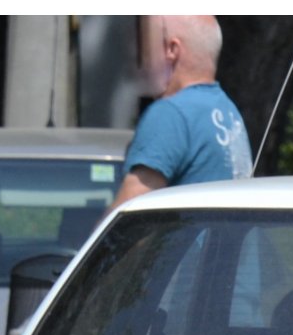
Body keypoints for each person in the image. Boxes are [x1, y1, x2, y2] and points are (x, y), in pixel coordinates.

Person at [108, 16, 252, 212]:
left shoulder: (171, 114)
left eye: (148, 46)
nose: (139, 54)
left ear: (172, 50)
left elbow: (128, 220)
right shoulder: (228, 110)